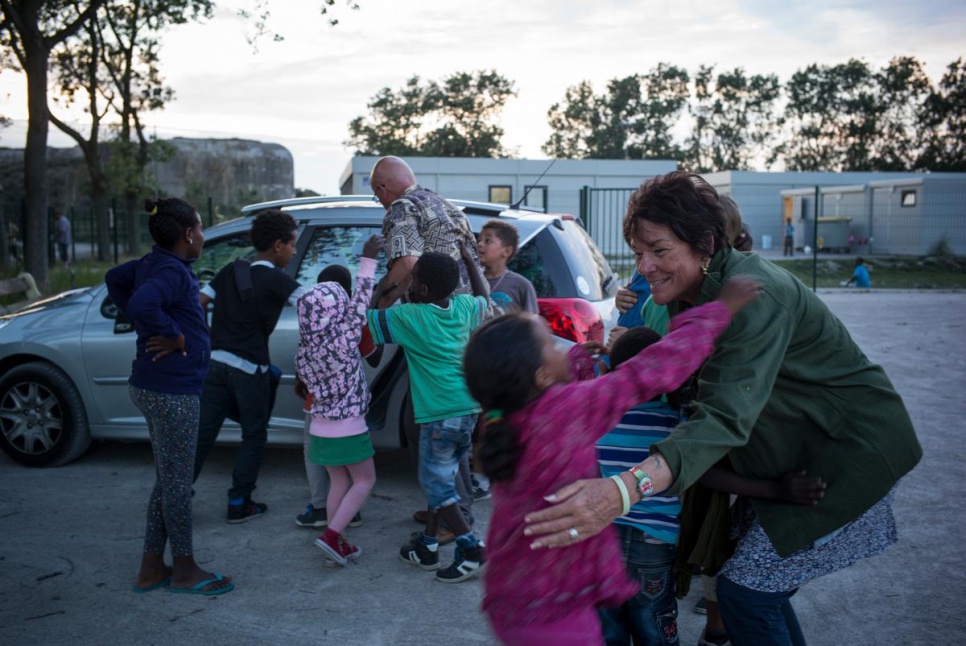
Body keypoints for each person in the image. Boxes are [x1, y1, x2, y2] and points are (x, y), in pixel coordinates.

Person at [524, 171, 923, 646]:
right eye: (638, 253)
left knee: (745, 595)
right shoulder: (690, 294)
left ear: (705, 244)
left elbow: (722, 417)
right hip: (793, 461)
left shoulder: (753, 294)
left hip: (849, 457)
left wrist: (623, 490)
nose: (645, 267)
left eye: (659, 249)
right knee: (754, 594)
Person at [463, 277, 760, 646]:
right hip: (558, 614)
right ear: (540, 376)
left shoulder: (500, 421)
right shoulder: (565, 412)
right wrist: (719, 312)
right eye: (549, 343)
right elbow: (645, 372)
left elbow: (550, 391)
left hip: (511, 601)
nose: (561, 347)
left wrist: (573, 361)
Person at [105, 197, 233, 596]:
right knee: (177, 486)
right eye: (201, 229)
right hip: (172, 391)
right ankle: (184, 569)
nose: (203, 237)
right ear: (189, 234)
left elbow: (114, 278)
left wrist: (149, 325)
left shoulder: (154, 263)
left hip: (154, 386)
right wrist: (171, 332)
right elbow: (142, 301)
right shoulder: (172, 272)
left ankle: (150, 569)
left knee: (167, 481)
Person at [370, 155, 481, 529]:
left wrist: (378, 300)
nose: (380, 201)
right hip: (460, 324)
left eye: (377, 195)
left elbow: (406, 264)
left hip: (430, 329)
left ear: (382, 189)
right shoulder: (444, 204)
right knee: (432, 429)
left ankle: (456, 518)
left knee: (435, 433)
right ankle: (443, 509)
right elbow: (471, 266)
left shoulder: (401, 207)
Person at [368, 249, 490, 583]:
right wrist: (469, 262)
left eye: (415, 279)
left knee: (436, 483)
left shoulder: (410, 318)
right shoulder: (465, 308)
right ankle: (428, 544)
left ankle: (471, 548)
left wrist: (380, 291)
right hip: (466, 408)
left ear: (420, 290)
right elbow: (484, 296)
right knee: (444, 478)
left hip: (438, 413)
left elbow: (371, 320)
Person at [192, 209, 303, 523]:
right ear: (278, 245)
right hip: (249, 369)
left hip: (215, 364)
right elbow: (315, 302)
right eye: (292, 245)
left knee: (203, 434)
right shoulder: (278, 280)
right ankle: (239, 502)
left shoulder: (230, 270)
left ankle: (177, 493)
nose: (294, 251)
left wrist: (208, 338)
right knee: (254, 435)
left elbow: (199, 302)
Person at [295, 235, 383, 565]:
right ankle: (331, 536)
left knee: (338, 482)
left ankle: (337, 544)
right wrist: (368, 259)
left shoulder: (305, 351)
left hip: (320, 427)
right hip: (348, 427)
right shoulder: (345, 339)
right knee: (365, 480)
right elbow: (361, 299)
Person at [477, 218, 538, 315]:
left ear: (507, 251)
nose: (479, 244)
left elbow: (531, 324)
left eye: (487, 241)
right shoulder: (471, 280)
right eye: (479, 240)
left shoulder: (521, 286)